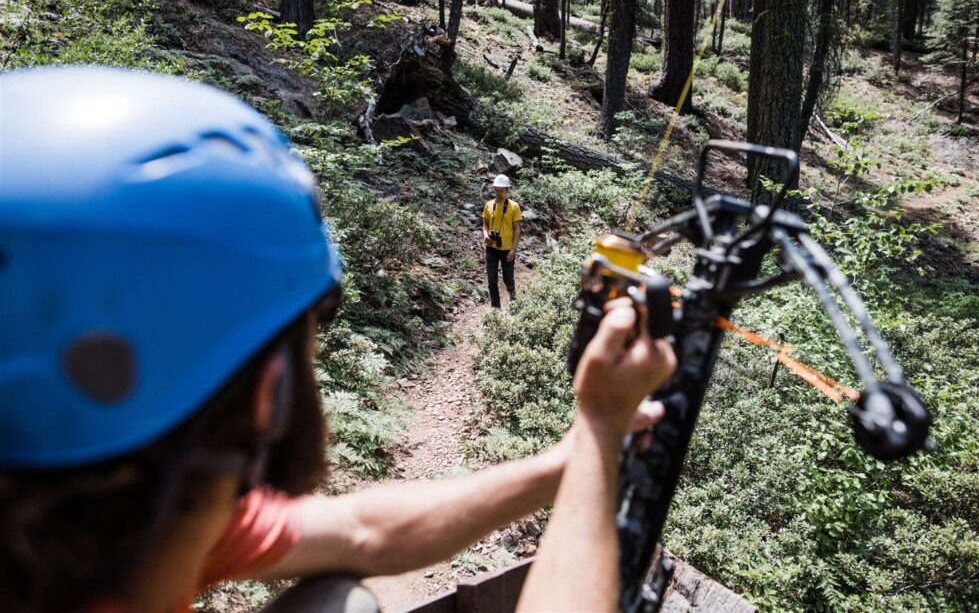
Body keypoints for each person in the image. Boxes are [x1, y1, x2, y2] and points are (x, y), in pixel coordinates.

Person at [0, 66, 676, 613]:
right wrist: (597, 431)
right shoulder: (161, 511)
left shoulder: (145, 516)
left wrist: (564, 464)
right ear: (269, 391)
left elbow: (364, 530)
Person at [482, 174, 523, 309]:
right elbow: (485, 224)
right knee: (492, 278)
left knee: (508, 279)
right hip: (492, 247)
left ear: (507, 190)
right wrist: (486, 235)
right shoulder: (489, 205)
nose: (499, 193)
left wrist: (513, 249)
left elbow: (517, 228)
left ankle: (513, 299)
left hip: (507, 249)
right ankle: (496, 308)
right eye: (497, 190)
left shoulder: (514, 206)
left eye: (502, 190)